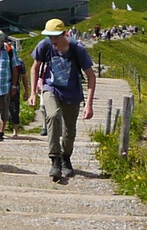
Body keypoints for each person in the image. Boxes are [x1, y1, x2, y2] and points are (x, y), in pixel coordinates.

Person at [27, 18, 97, 182]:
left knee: (69, 130)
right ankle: (55, 159)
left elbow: (91, 76)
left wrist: (89, 104)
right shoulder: (44, 46)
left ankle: (66, 157)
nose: (52, 40)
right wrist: (32, 92)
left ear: (64, 33)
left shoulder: (77, 48)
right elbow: (35, 67)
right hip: (51, 88)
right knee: (52, 115)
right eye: (49, 36)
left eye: (55, 37)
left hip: (72, 92)